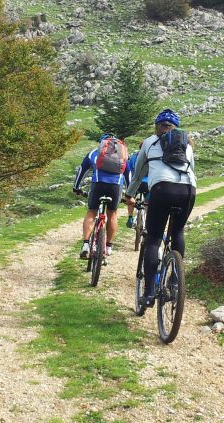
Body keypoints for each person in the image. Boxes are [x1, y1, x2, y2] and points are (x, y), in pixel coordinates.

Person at [127, 109, 197, 307]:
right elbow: (192, 170)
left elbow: (139, 173)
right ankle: (175, 281)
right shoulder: (187, 144)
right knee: (178, 232)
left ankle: (149, 293)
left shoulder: (149, 142)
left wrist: (129, 194)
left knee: (154, 239)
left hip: (162, 189)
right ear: (176, 127)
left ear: (157, 126)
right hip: (188, 190)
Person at [72, 133, 128, 262]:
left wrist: (76, 187)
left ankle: (86, 244)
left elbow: (82, 169)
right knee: (112, 214)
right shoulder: (122, 154)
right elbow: (127, 173)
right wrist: (129, 195)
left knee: (92, 212)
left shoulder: (94, 152)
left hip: (98, 183)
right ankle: (108, 246)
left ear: (102, 144)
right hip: (115, 186)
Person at [124, 141, 149, 229]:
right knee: (148, 203)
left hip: (135, 183)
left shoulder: (134, 156)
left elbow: (129, 170)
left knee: (130, 199)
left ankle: (130, 218)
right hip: (149, 184)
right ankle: (147, 222)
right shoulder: (152, 157)